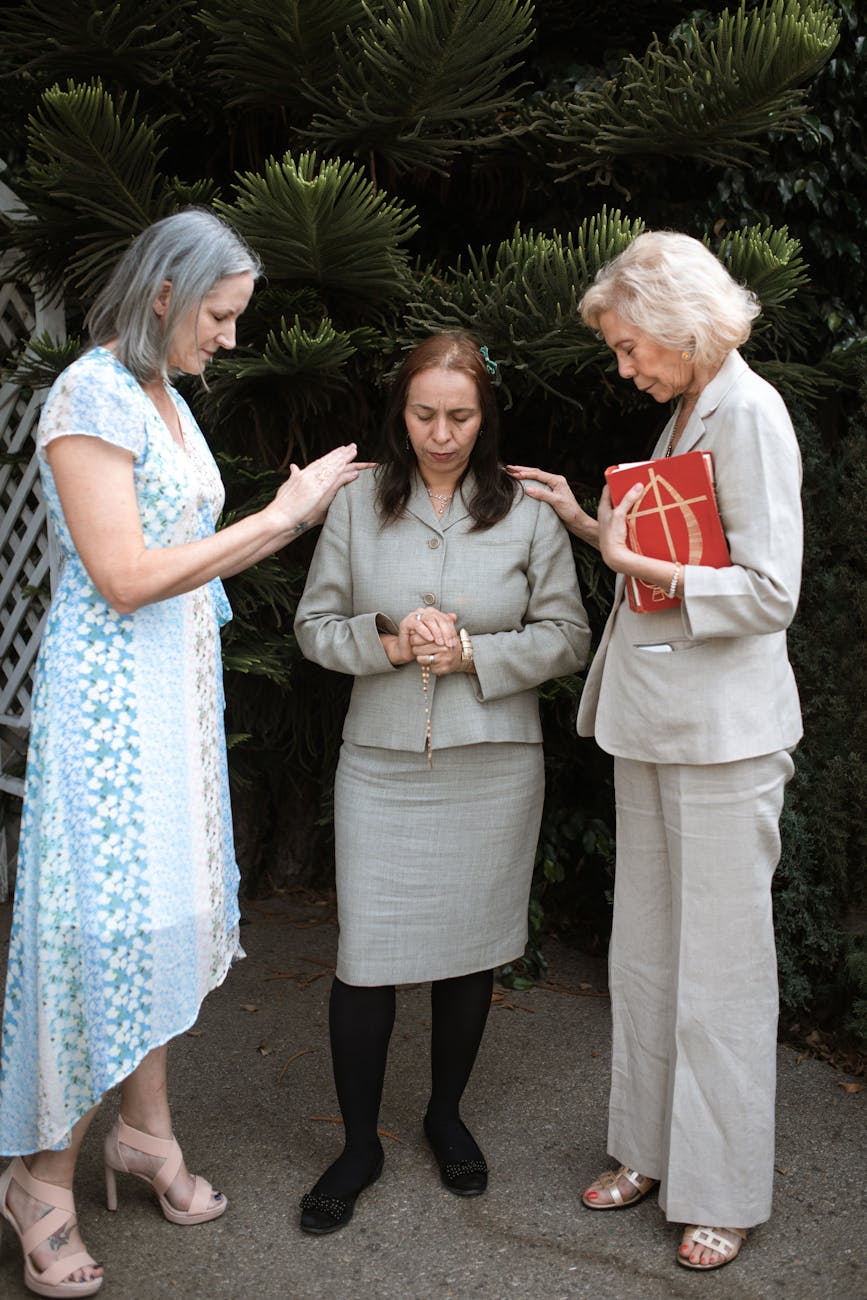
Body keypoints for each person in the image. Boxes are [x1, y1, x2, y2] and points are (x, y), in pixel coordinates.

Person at [0, 208, 367, 1297]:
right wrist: (282, 518)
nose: (231, 338)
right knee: (90, 928)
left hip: (175, 695)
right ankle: (40, 1175)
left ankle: (146, 1135)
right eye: (221, 314)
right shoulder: (90, 395)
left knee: (163, 914)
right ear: (165, 293)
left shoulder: (165, 397)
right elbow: (122, 573)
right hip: (108, 709)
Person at [508, 230, 803, 1272]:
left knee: (721, 972)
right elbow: (664, 554)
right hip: (657, 717)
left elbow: (772, 590)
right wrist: (589, 524)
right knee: (645, 956)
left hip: (726, 735)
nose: (625, 367)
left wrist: (638, 560)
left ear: (682, 324)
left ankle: (722, 1190)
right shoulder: (687, 405)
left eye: (633, 347)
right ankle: (645, 1148)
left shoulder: (751, 411)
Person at [293, 332, 590, 1234]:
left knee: (472, 948)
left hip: (494, 762)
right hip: (379, 761)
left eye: (460, 416)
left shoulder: (530, 511)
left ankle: (444, 1115)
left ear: (485, 416)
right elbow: (313, 625)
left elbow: (568, 637)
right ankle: (357, 1143)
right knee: (365, 960)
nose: (441, 432)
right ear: (401, 410)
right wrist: (385, 643)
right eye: (424, 414)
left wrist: (471, 653)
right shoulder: (356, 504)